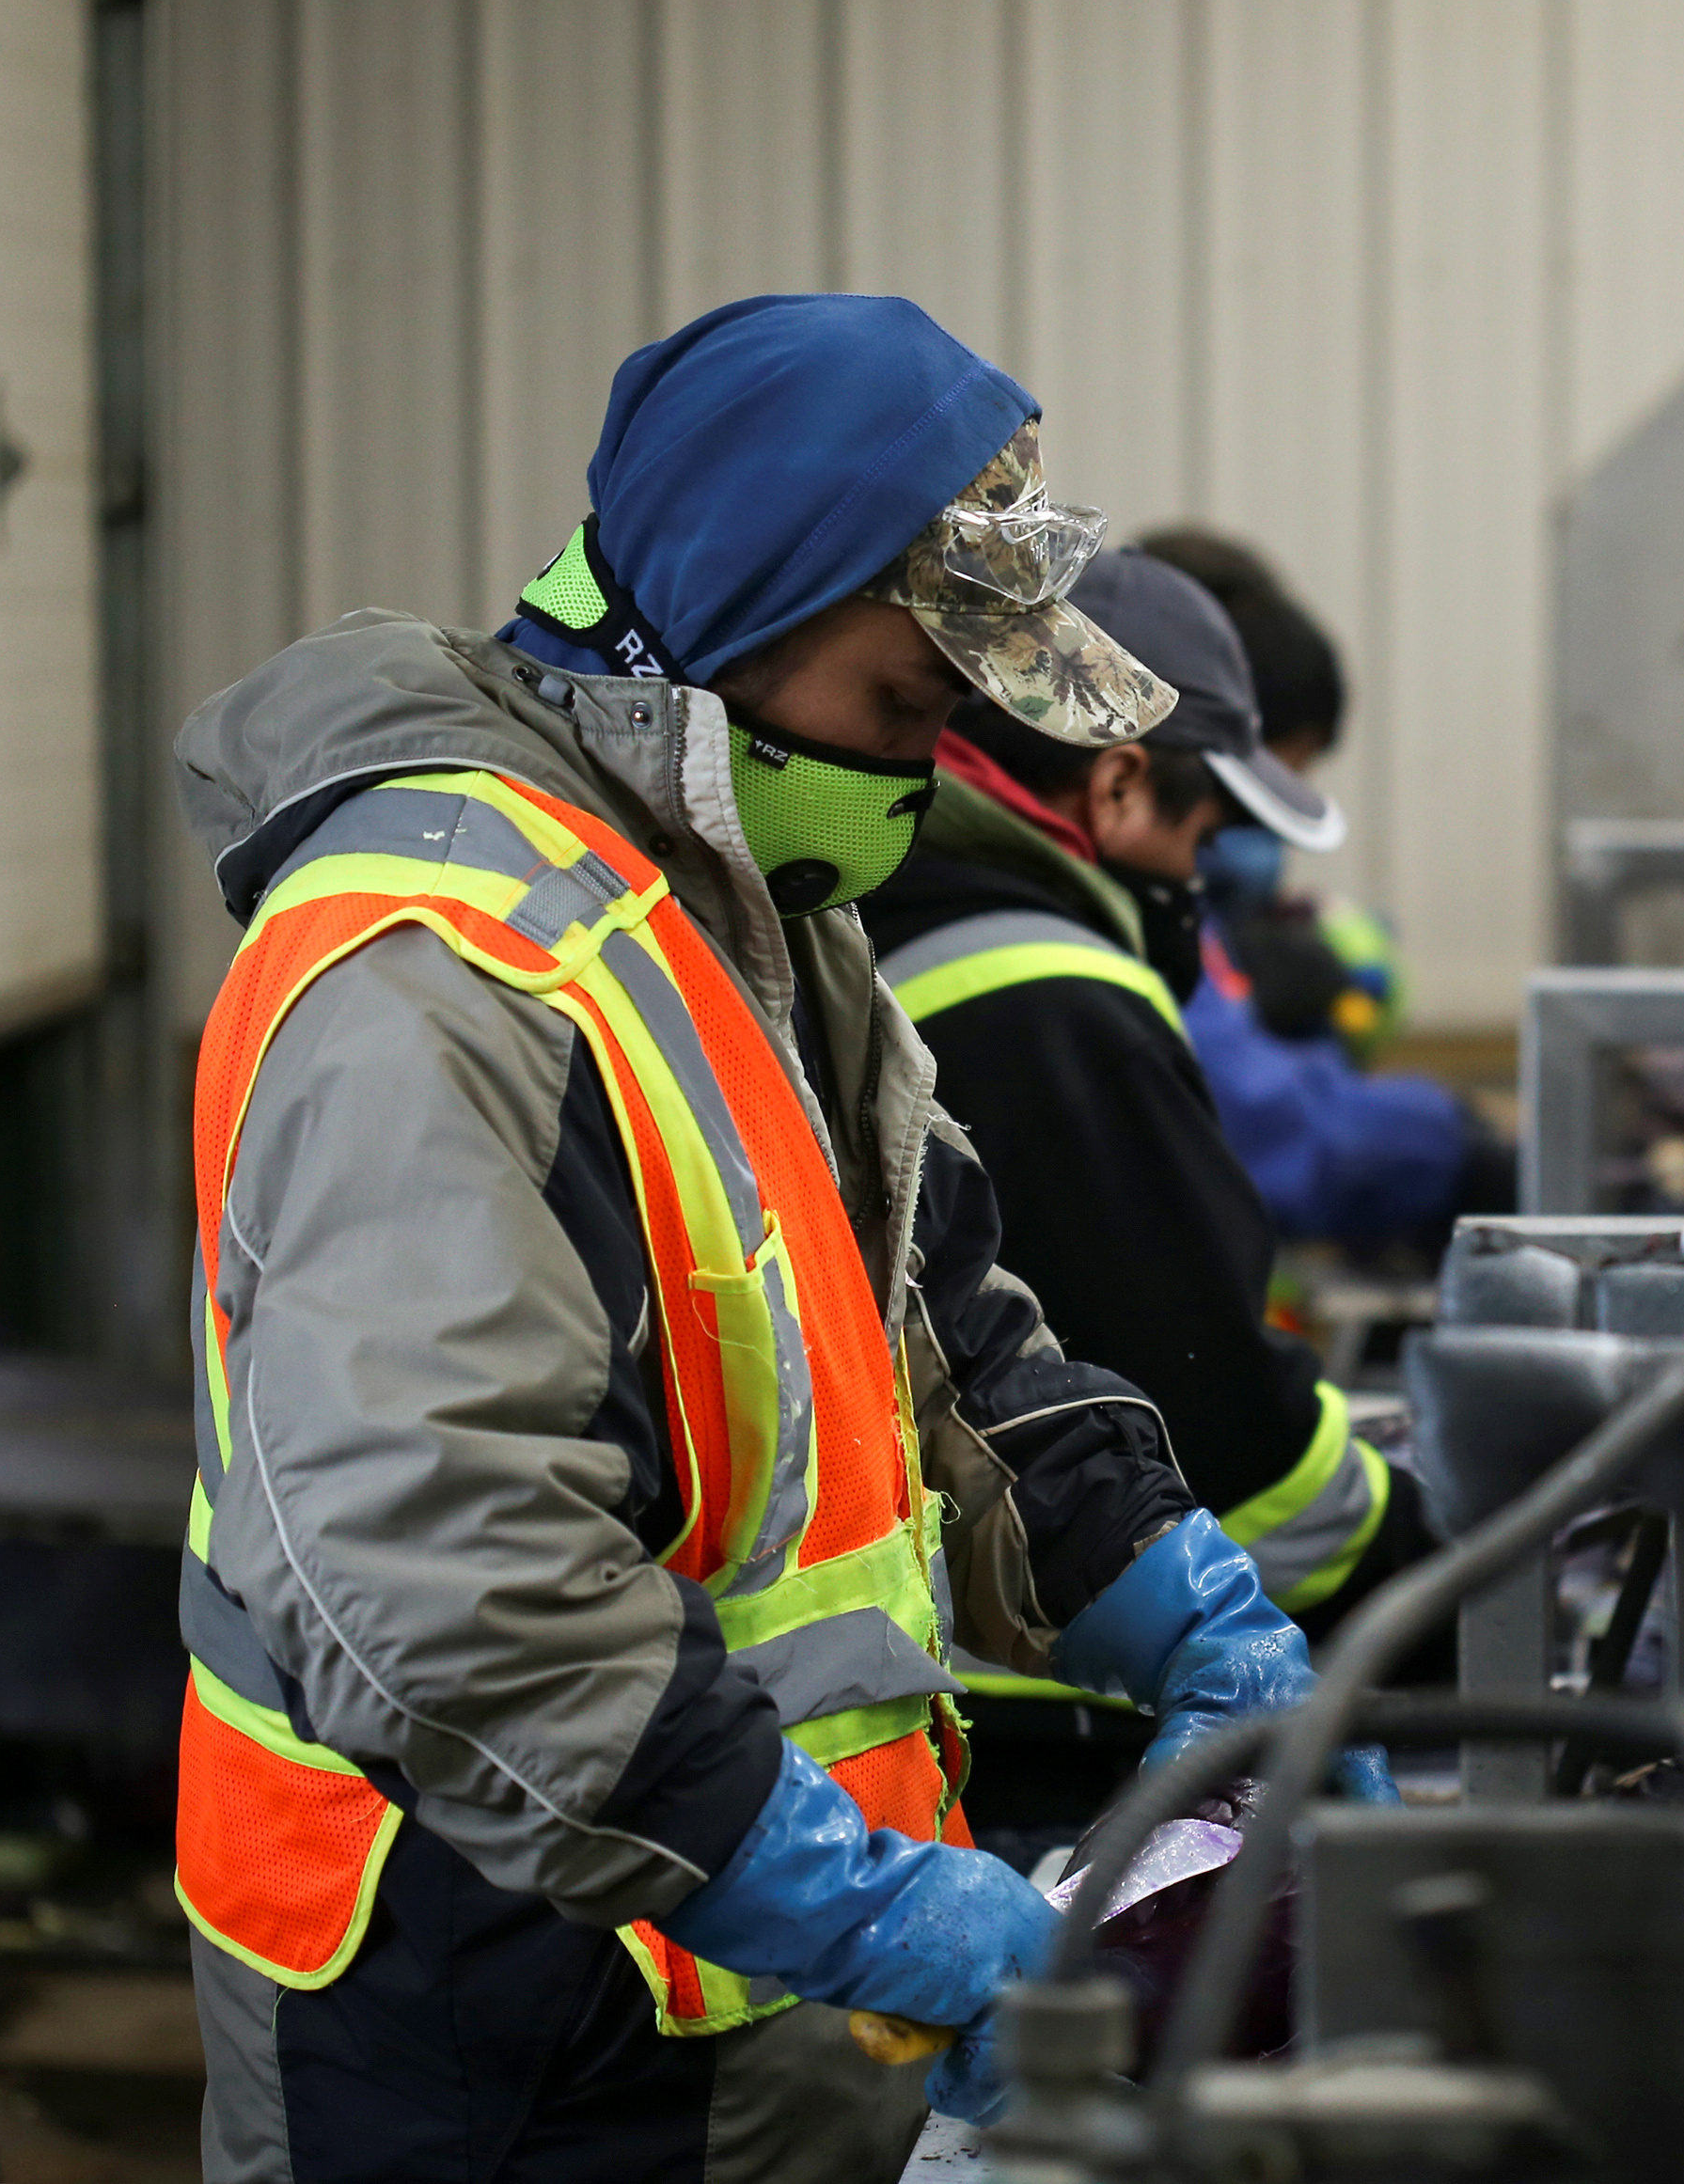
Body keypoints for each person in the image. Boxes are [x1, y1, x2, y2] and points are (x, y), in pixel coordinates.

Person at [170, 293, 1383, 2184]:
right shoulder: (436, 979)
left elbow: (939, 1341)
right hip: (495, 2024)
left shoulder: (746, 922)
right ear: (719, 615)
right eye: (902, 711)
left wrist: (1193, 1617)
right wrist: (856, 1905)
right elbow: (443, 1573)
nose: (917, 776)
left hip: (743, 2008)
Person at [861, 549, 1432, 1673]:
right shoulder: (1058, 1000)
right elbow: (1222, 1443)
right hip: (1037, 1693)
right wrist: (1437, 1552)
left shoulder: (874, 905)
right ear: (1118, 787)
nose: (1205, 883)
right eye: (1205, 838)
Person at [1136, 528, 1514, 1251]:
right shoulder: (1138, 912)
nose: (1271, 821)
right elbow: (1262, 1129)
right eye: (1280, 778)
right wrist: (1447, 1146)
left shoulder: (1181, 911)